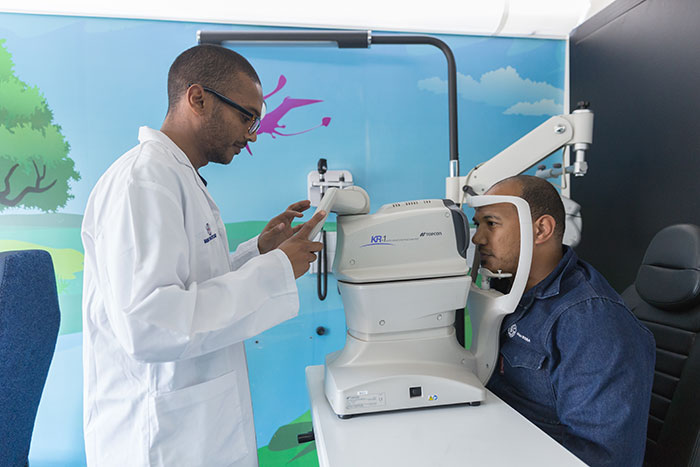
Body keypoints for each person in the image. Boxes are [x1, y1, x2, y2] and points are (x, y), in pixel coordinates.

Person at [81, 45, 325, 466]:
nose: (251, 134)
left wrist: (259, 252)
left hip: (190, 427)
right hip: (159, 438)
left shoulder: (179, 177)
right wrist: (277, 269)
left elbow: (190, 285)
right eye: (246, 116)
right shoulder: (145, 182)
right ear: (198, 99)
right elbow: (149, 322)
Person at [472, 175, 655, 466]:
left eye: (491, 223)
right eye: (477, 223)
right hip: (499, 442)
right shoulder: (512, 294)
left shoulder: (591, 322)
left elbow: (602, 457)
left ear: (541, 229)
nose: (477, 237)